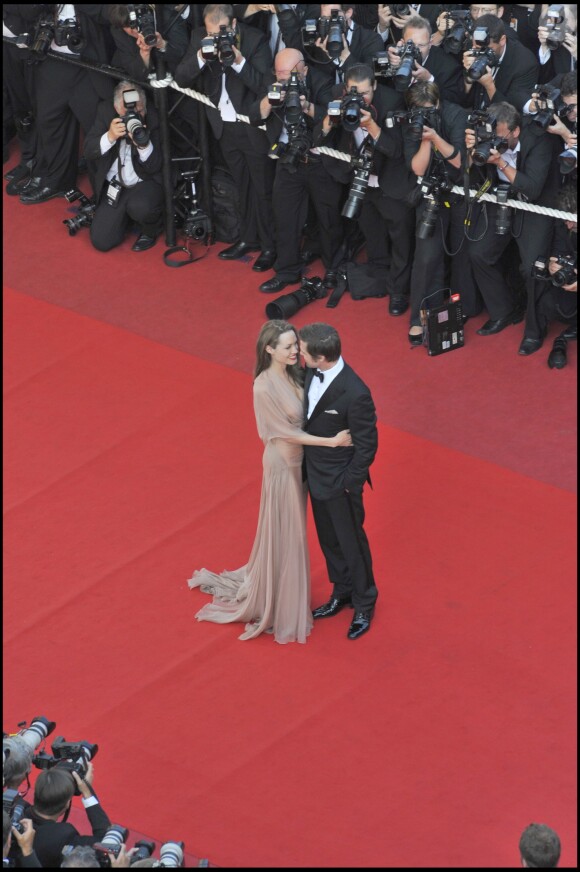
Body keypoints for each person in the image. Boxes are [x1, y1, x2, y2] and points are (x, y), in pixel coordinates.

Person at [188, 320, 352, 644]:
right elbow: (282, 433)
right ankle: (278, 602)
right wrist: (332, 442)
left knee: (291, 531)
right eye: (289, 346)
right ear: (269, 349)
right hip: (282, 468)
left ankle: (283, 589)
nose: (296, 351)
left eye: (295, 345)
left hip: (301, 464)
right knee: (288, 533)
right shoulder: (262, 387)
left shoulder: (294, 372)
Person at [298, 322, 378, 640]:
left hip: (341, 483)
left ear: (320, 357)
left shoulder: (356, 393)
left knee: (351, 544)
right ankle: (341, 591)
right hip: (315, 476)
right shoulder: (308, 372)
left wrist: (349, 483)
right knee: (329, 540)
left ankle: (364, 602)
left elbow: (367, 445)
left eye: (302, 352)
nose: (298, 355)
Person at [84, 80, 163, 253]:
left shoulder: (154, 117)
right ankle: (123, 217)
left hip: (144, 181)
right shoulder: (106, 112)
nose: (134, 116)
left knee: (140, 207)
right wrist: (110, 136)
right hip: (116, 185)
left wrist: (143, 144)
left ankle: (151, 229)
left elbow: (156, 166)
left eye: (139, 111)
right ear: (116, 108)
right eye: (127, 113)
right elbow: (89, 151)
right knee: (101, 241)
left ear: (144, 107)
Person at [29, 763, 111, 868]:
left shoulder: (17, 811)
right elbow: (108, 844)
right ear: (67, 803)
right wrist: (87, 792)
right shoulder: (64, 838)